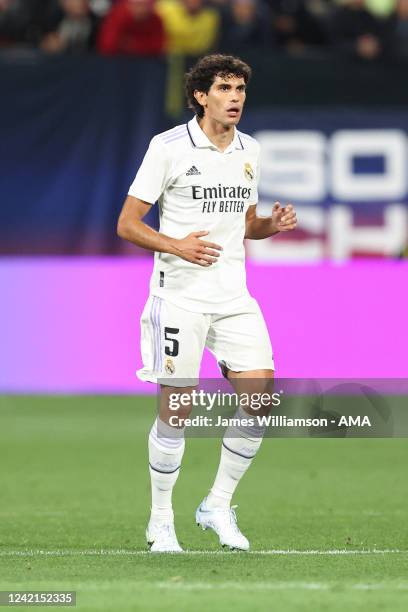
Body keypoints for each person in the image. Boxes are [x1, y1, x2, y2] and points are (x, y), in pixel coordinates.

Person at [117, 54, 297, 552]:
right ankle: (160, 521)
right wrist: (178, 245)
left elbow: (245, 224)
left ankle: (217, 503)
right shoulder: (169, 147)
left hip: (234, 296)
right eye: (224, 88)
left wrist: (270, 227)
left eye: (240, 88)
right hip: (178, 297)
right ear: (201, 95)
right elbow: (127, 224)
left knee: (259, 399)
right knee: (179, 409)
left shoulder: (250, 151)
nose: (235, 97)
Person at [97, 0, 165, 56]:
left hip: (147, 63)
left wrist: (130, 45)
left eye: (145, 5)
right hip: (117, 62)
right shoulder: (118, 16)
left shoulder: (155, 20)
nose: (141, 9)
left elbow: (157, 46)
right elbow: (107, 45)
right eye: (138, 5)